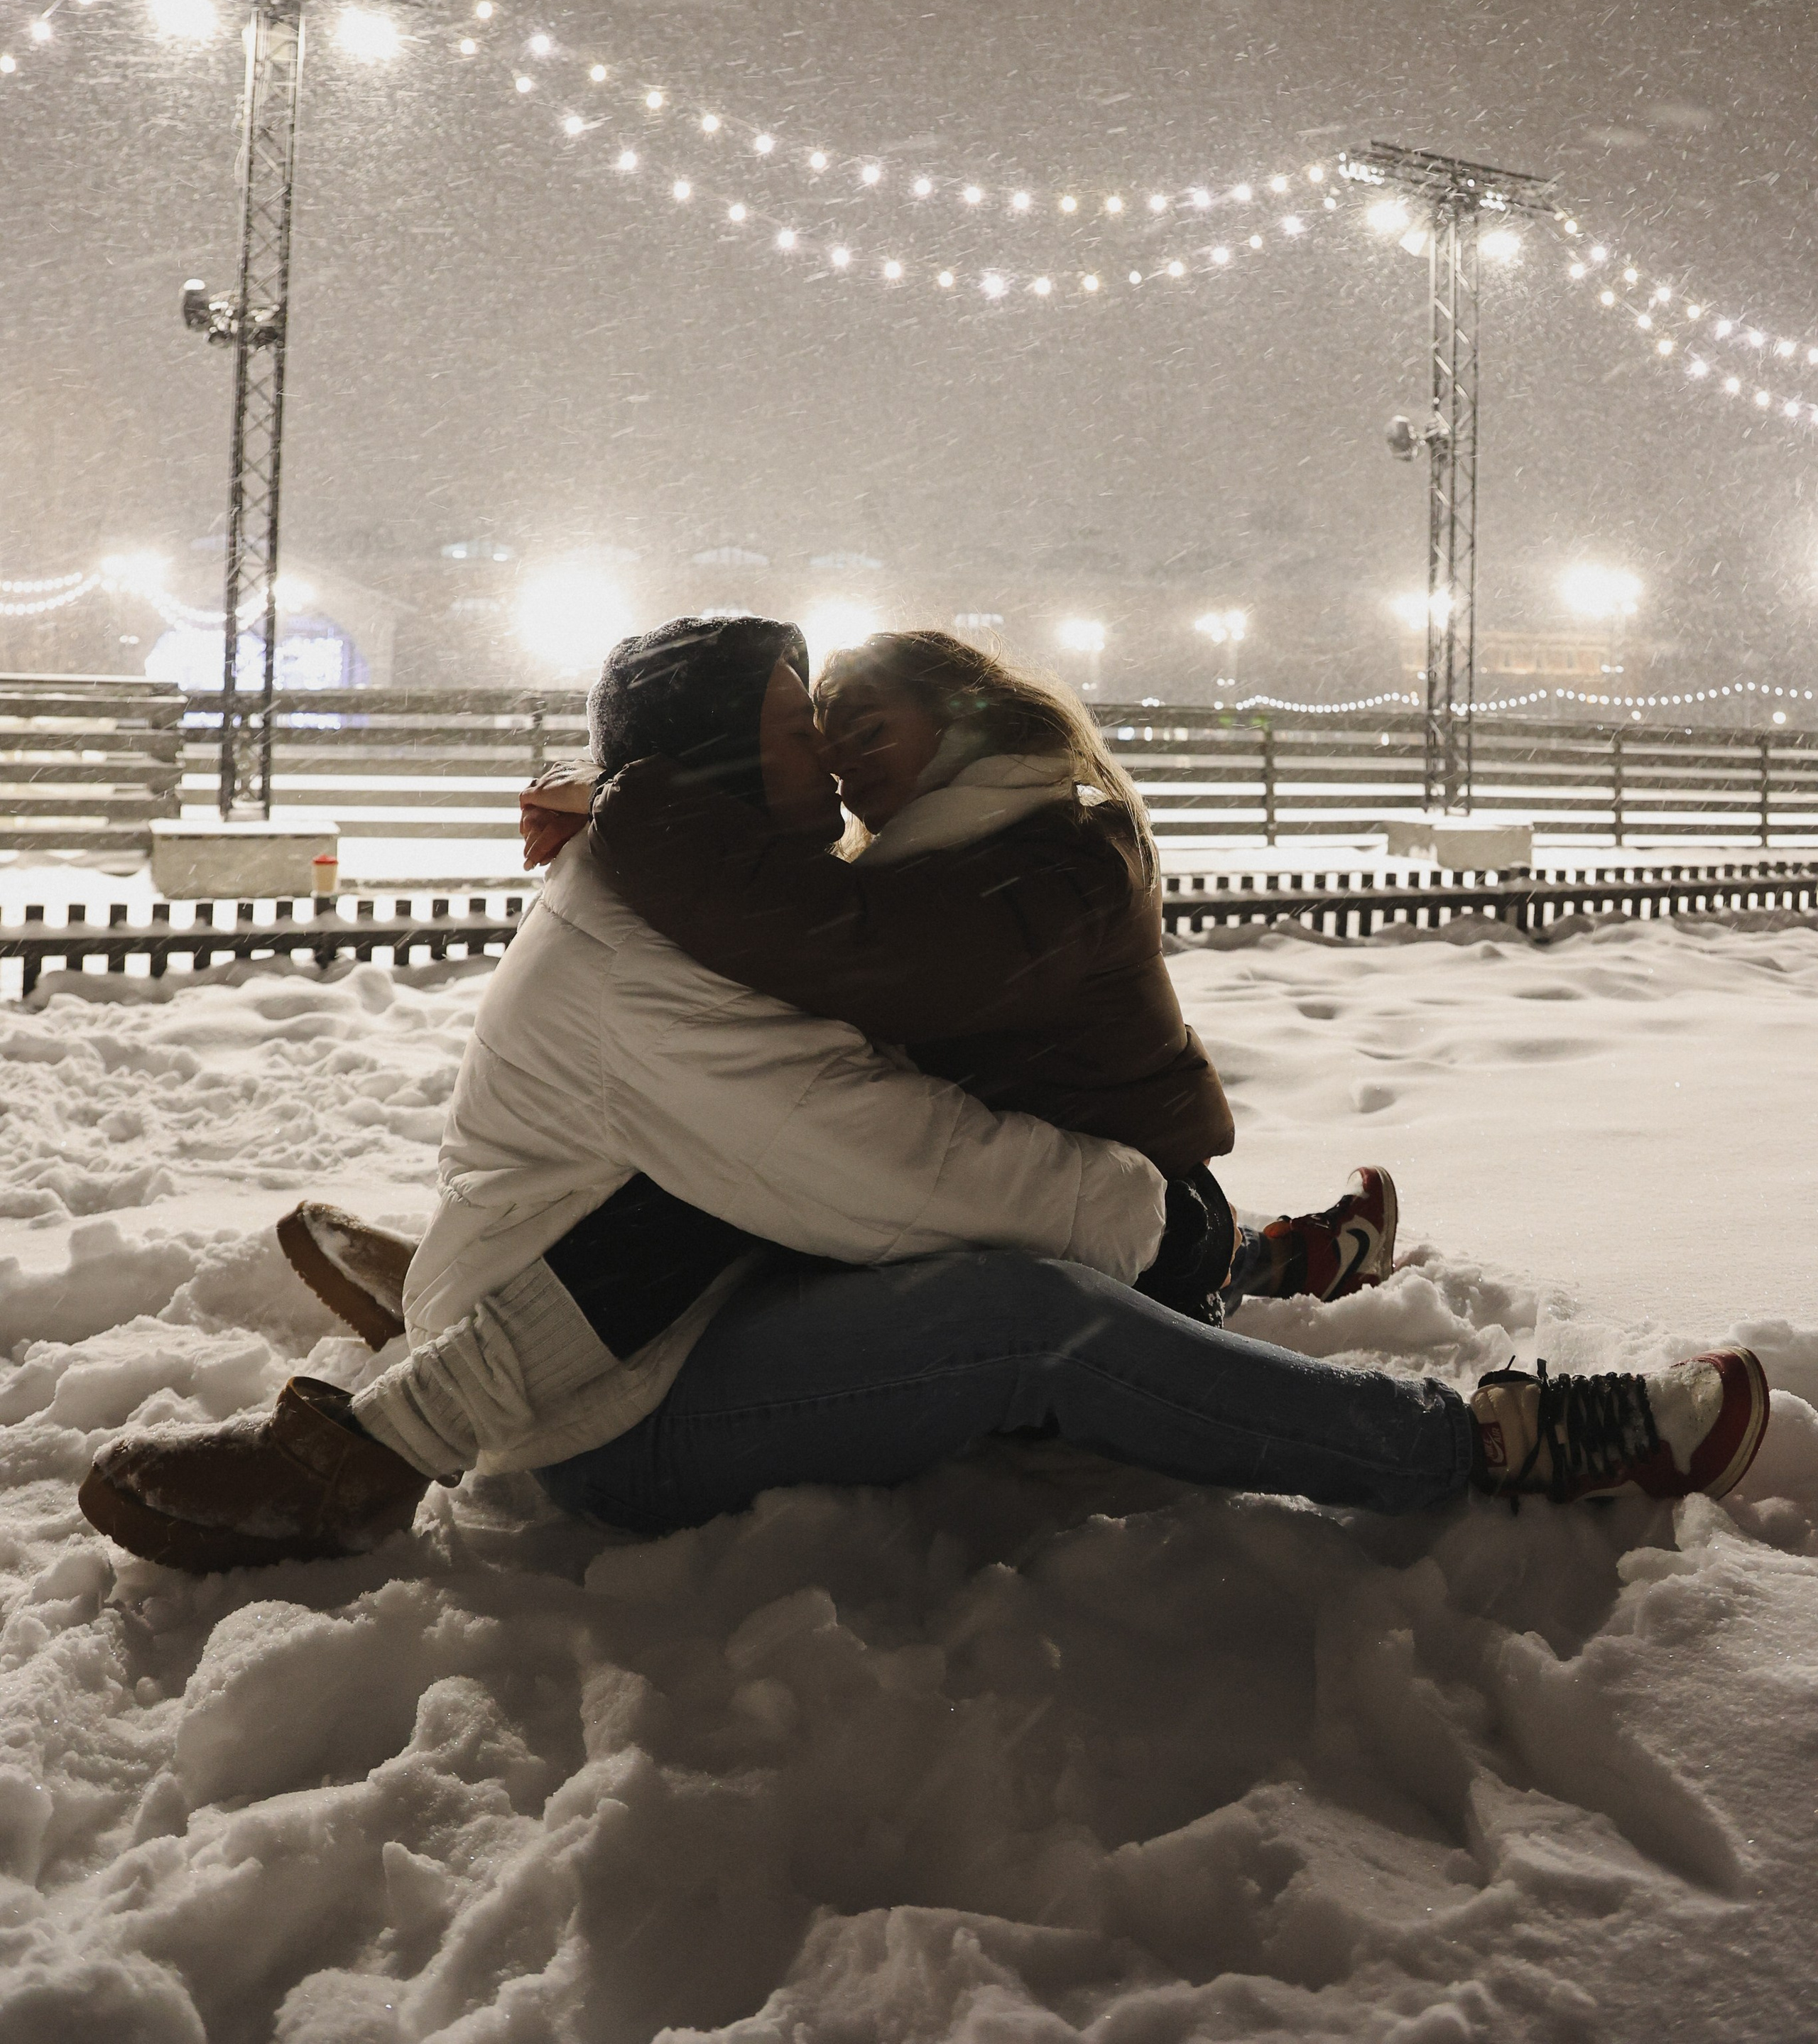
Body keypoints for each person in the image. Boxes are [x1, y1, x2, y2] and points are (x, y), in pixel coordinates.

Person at [79, 616, 1771, 1575]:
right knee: (1025, 1313)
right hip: (616, 1419)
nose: (822, 755)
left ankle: (449, 1322)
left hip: (644, 1304)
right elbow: (892, 1164)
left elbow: (846, 1075)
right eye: (792, 730)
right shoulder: (658, 951)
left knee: (1000, 1279)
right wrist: (1139, 1216)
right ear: (729, 768)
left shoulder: (684, 891)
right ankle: (1485, 1444)